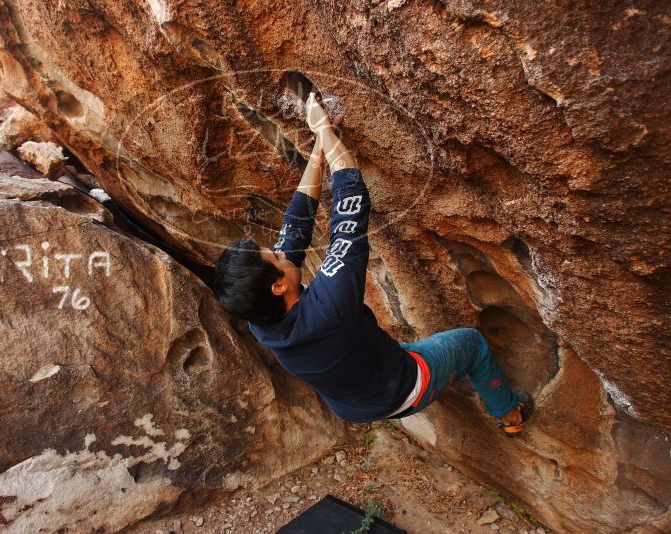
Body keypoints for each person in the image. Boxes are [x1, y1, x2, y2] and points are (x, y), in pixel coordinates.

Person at [213, 93, 533, 436]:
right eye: (275, 257)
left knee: (385, 350)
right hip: (404, 387)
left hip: (354, 402)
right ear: (278, 285)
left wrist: (320, 149)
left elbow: (296, 225)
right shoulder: (329, 306)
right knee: (472, 343)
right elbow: (350, 204)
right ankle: (510, 415)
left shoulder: (262, 316)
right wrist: (323, 128)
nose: (281, 252)